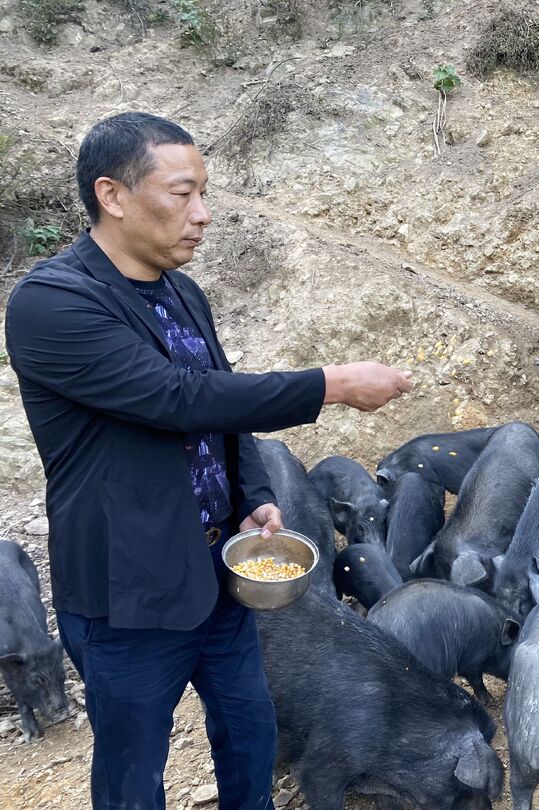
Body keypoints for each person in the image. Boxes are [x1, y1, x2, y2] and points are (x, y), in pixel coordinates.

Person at [3, 112, 413, 809]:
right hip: (126, 593)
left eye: (205, 194)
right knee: (134, 771)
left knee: (250, 735)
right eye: (183, 193)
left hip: (219, 574)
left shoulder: (182, 292)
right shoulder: (52, 302)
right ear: (113, 195)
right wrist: (331, 385)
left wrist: (250, 492)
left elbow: (224, 406)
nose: (203, 214)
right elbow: (175, 398)